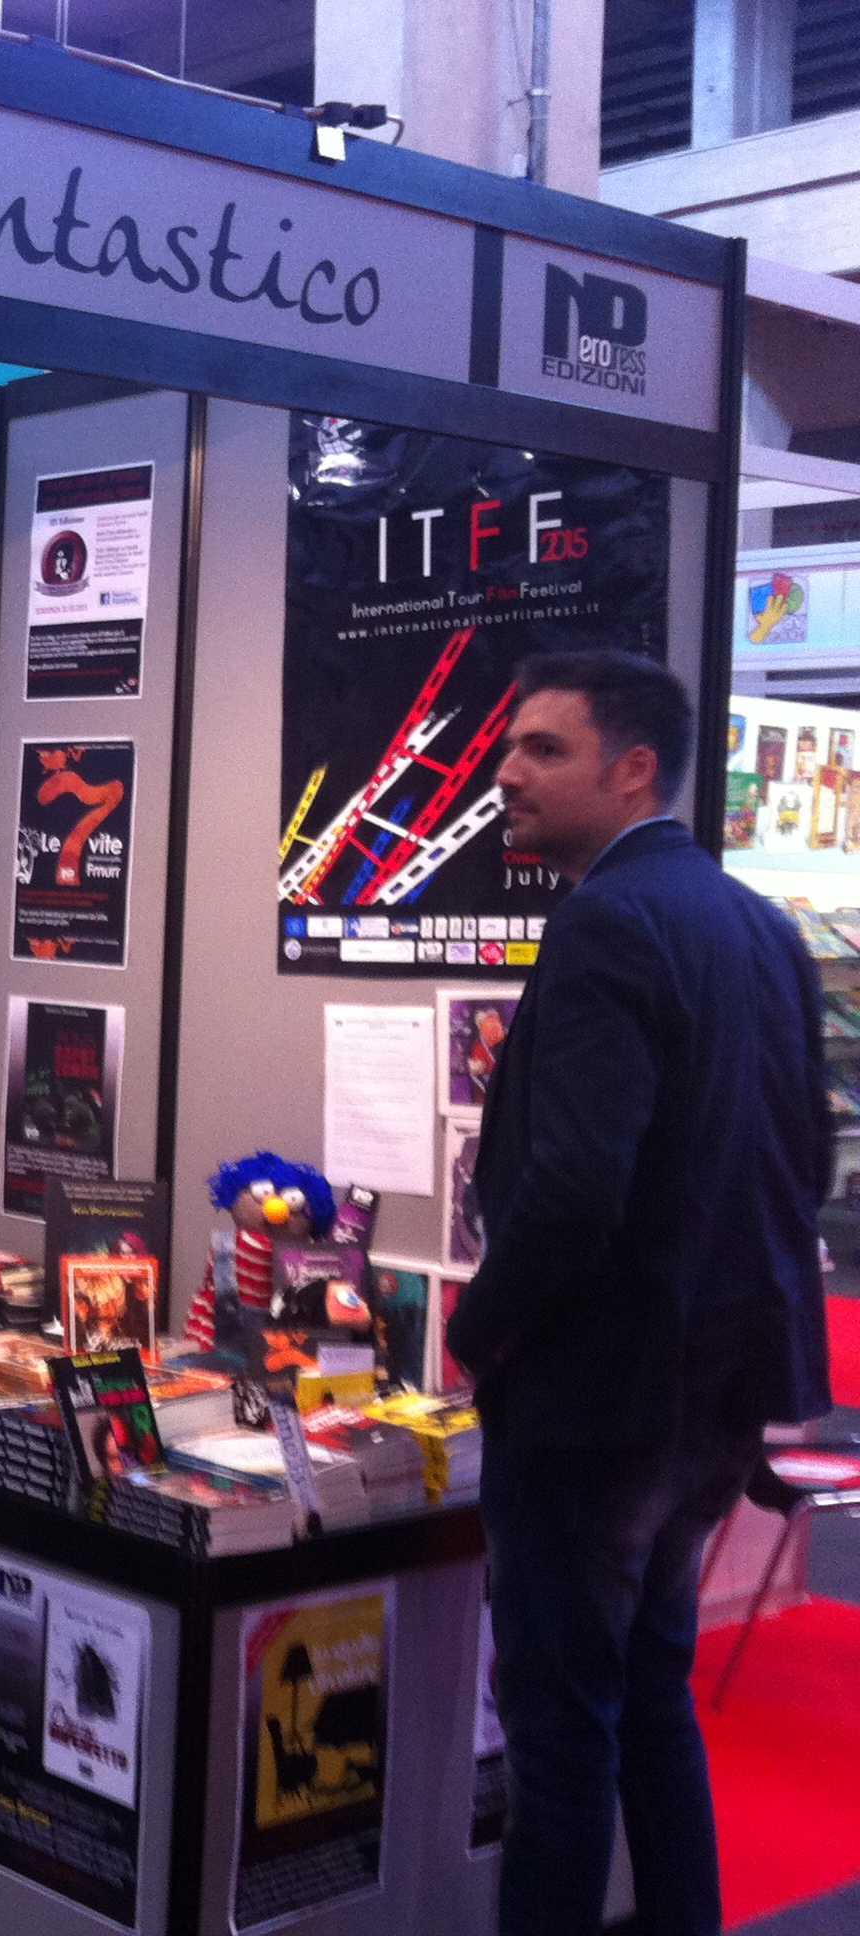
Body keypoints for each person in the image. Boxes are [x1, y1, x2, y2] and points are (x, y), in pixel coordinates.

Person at [446, 649, 834, 1936]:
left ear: (634, 770)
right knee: (655, 1698)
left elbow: (575, 1189)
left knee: (561, 1743)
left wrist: (479, 1333)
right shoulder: (759, 926)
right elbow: (807, 1163)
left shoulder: (608, 922)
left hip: (597, 1404)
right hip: (711, 1405)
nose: (507, 773)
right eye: (510, 745)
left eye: (544, 749)